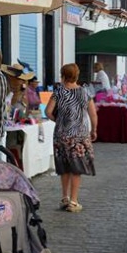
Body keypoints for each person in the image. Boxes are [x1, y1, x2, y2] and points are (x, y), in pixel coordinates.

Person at [45, 63, 97, 213]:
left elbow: (48, 111)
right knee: (76, 168)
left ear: (63, 75)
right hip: (79, 135)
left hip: (61, 135)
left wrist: (59, 120)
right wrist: (94, 130)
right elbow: (93, 114)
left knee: (64, 167)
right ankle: (74, 201)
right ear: (76, 75)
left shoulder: (58, 92)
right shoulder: (84, 93)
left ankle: (64, 198)